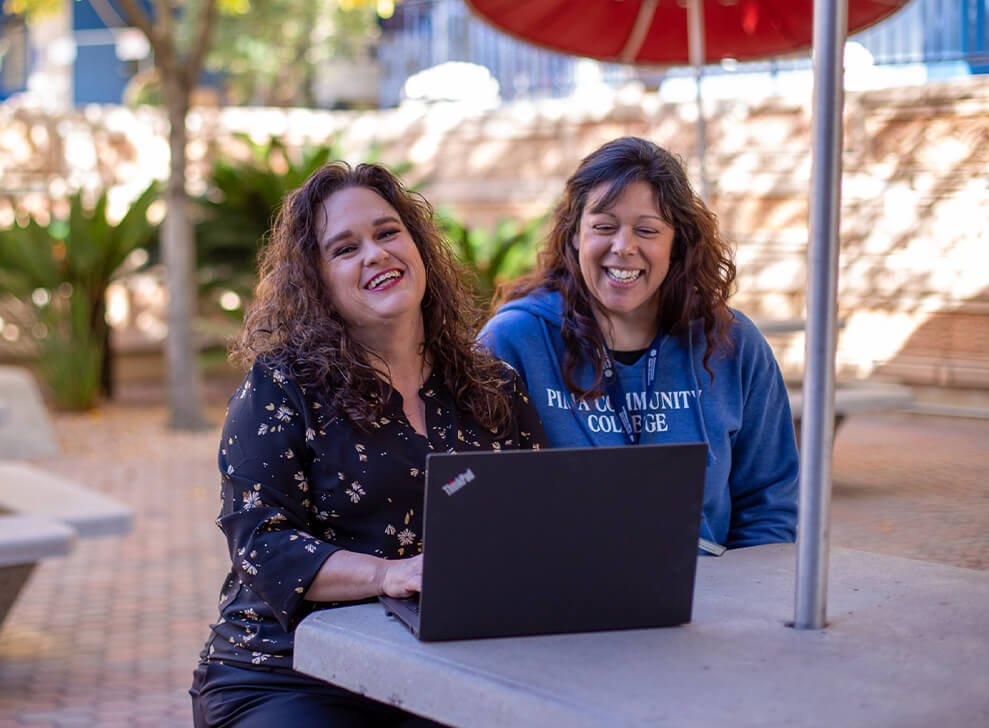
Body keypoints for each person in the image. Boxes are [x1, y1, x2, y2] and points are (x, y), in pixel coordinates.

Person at [190, 161, 546, 727]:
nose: (376, 254)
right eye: (344, 248)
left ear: (418, 246)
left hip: (446, 666)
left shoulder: (492, 385)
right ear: (318, 283)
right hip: (292, 673)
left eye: (387, 233)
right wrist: (388, 574)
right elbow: (261, 544)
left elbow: (542, 514)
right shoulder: (281, 387)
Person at [480, 136, 798, 550]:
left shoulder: (733, 344)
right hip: (560, 596)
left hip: (708, 598)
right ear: (575, 235)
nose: (623, 247)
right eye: (604, 227)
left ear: (676, 243)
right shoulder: (512, 342)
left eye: (647, 230)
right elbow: (475, 497)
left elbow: (770, 505)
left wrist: (736, 599)